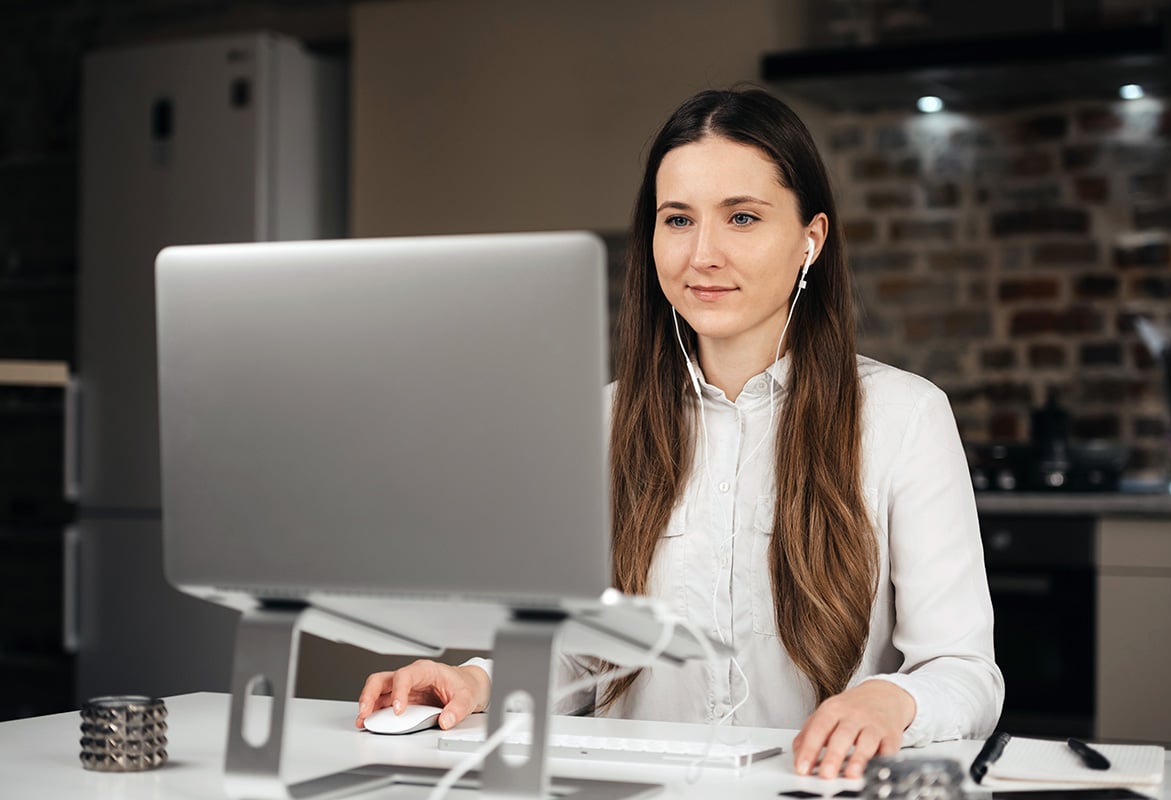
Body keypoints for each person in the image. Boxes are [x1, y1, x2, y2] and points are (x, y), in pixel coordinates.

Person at [356, 87, 1004, 779]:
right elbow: (581, 649)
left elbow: (963, 671)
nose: (703, 254)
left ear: (811, 239)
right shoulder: (600, 424)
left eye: (743, 217)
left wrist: (888, 699)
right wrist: (480, 681)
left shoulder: (905, 417)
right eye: (678, 220)